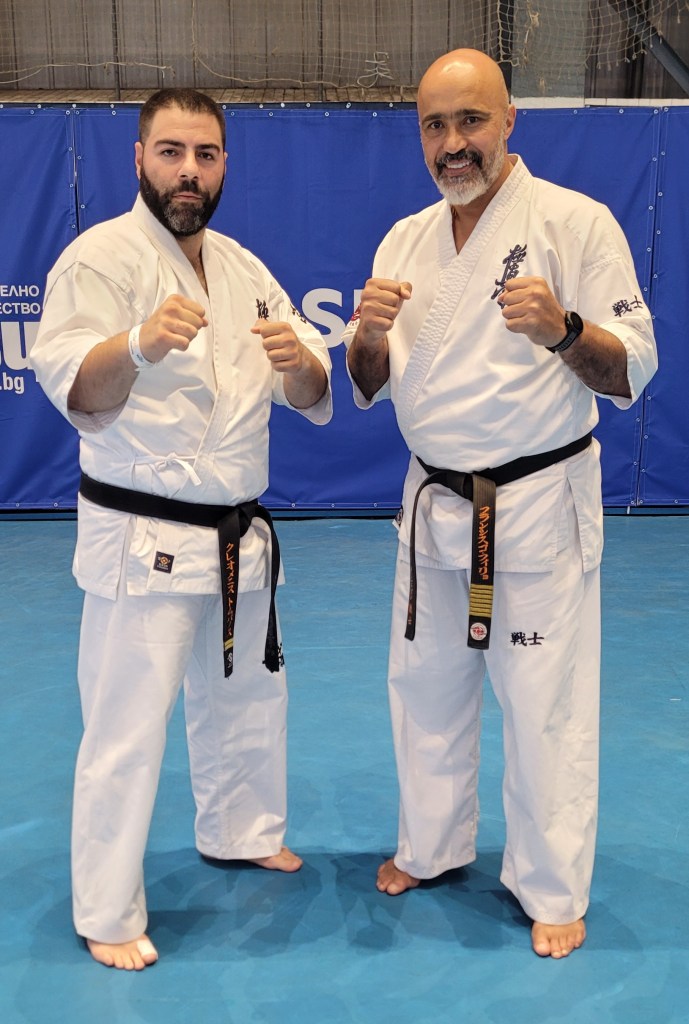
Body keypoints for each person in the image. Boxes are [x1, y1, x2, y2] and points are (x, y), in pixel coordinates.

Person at [344, 49, 657, 958]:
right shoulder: (404, 239)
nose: (453, 144)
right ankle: (432, 847)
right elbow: (368, 387)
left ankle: (549, 884)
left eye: (470, 120)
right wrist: (366, 334)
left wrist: (561, 330)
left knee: (542, 700)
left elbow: (631, 370)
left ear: (510, 119)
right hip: (433, 504)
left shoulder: (573, 222)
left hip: (532, 503)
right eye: (435, 126)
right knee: (425, 688)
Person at [31, 88, 332, 970]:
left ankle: (242, 830)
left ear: (225, 164)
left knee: (245, 699)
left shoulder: (243, 267)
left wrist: (301, 366)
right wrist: (134, 345)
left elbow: (311, 396)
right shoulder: (99, 260)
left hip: (236, 536)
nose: (188, 171)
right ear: (138, 159)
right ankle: (106, 907)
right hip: (142, 536)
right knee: (126, 728)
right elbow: (76, 393)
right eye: (170, 152)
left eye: (204, 153)